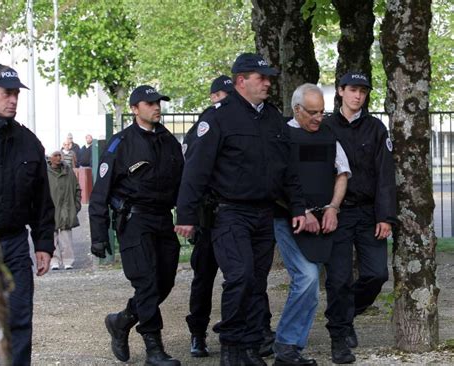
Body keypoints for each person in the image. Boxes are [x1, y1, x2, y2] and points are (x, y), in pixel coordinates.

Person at [175, 53, 306, 366]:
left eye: (269, 78)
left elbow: (288, 170)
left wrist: (298, 207)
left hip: (265, 213)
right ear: (241, 81)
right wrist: (186, 215)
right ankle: (232, 348)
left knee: (256, 281)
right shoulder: (218, 117)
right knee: (241, 276)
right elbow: (196, 171)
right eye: (261, 78)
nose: (268, 83)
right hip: (229, 212)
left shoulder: (273, 118)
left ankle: (249, 347)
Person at [89, 85, 184, 366]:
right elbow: (100, 193)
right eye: (149, 103)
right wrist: (98, 235)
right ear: (134, 109)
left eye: (158, 102)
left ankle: (122, 320)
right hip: (134, 220)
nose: (156, 107)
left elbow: (183, 184)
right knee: (146, 283)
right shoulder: (120, 144)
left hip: (162, 219)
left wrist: (192, 219)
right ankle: (153, 348)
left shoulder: (169, 142)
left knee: (163, 282)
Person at [272, 84, 351, 366]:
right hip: (290, 220)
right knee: (306, 280)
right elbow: (275, 181)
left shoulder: (329, 136)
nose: (320, 118)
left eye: (322, 112)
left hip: (325, 220)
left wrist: (333, 207)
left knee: (317, 282)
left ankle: (288, 347)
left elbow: (342, 172)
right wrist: (301, 211)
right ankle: (287, 346)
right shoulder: (281, 136)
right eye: (313, 113)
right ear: (297, 110)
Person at [323, 72, 396, 364]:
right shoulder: (325, 127)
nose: (358, 96)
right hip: (338, 213)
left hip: (369, 213)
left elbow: (385, 176)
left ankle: (345, 313)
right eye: (353, 90)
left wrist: (386, 217)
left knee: (377, 273)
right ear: (340, 91)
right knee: (338, 279)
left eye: (363, 91)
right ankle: (339, 337)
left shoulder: (376, 129)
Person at [0, 64, 55, 365]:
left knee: (18, 319)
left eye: (16, 94)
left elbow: (42, 200)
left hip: (13, 244)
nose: (12, 100)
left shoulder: (28, 142)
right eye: (6, 93)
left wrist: (43, 245)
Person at [183, 75, 233, 358]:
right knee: (203, 277)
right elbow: (192, 173)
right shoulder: (203, 126)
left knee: (237, 277)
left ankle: (234, 330)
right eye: (222, 96)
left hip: (231, 215)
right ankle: (197, 333)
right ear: (213, 97)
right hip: (207, 216)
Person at [47, 150, 82, 270]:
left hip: (66, 208)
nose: (58, 158)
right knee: (52, 237)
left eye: (59, 155)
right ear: (50, 158)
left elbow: (77, 188)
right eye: (55, 155)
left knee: (66, 237)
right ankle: (54, 260)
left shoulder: (68, 171)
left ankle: (68, 260)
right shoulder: (45, 173)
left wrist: (76, 206)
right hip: (51, 209)